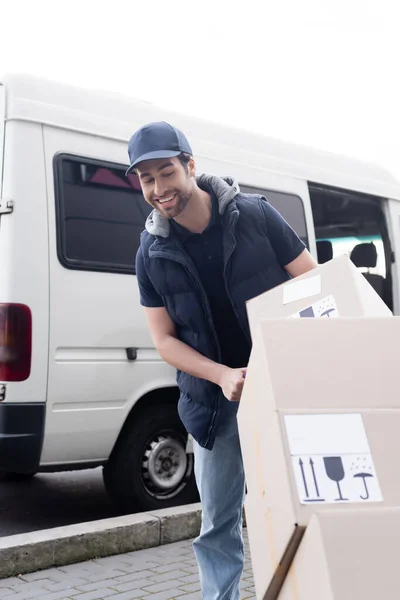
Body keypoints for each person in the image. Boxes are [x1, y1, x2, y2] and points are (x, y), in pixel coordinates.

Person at [126, 121, 318, 600]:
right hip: (215, 404)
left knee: (305, 506)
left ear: (191, 165)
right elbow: (165, 340)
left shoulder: (254, 215)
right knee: (218, 525)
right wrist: (221, 375)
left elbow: (311, 282)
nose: (158, 188)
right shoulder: (151, 251)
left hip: (285, 393)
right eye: (146, 179)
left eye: (166, 171)